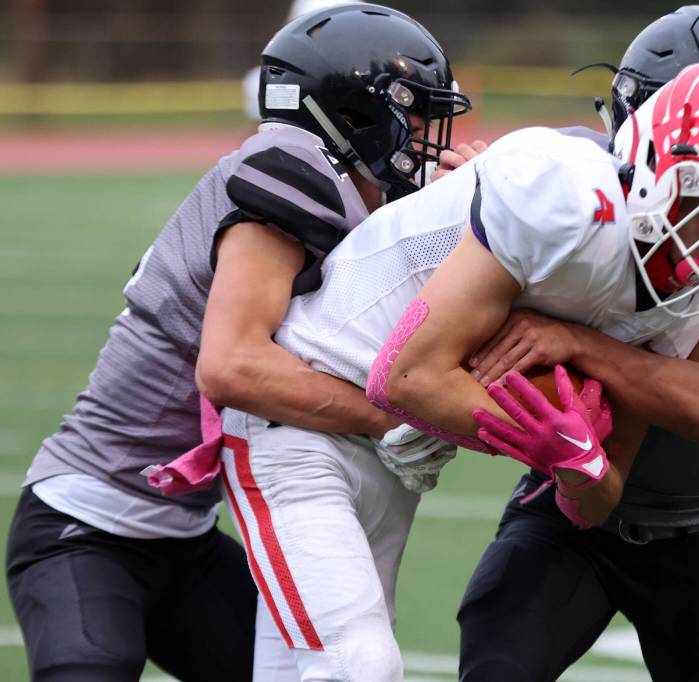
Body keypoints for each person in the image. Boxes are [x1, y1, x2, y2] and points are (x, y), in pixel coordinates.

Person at [215, 62, 699, 682]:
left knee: (296, 668)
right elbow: (406, 377)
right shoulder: (564, 198)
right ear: (658, 162)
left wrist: (577, 465)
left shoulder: (686, 299)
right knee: (356, 665)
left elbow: (597, 494)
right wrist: (538, 438)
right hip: (297, 415)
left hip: (387, 457)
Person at [4, 5, 469, 682]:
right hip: (85, 526)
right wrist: (394, 414)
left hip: (184, 541)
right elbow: (232, 366)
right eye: (417, 118)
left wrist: (466, 215)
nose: (426, 140)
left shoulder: (334, 185)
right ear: (356, 114)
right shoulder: (292, 171)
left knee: (306, 664)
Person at [441, 9, 699, 682]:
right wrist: (473, 209)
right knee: (496, 662)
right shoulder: (575, 175)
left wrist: (575, 341)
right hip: (567, 501)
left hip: (695, 534)